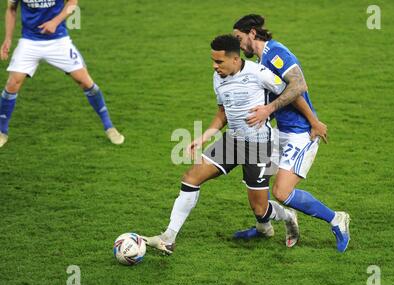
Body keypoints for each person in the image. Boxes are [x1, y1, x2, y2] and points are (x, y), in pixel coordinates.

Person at [143, 35, 300, 254]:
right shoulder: (218, 78)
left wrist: (270, 110)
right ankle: (168, 237)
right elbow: (222, 114)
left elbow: (292, 91)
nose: (214, 66)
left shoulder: (258, 73)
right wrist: (204, 136)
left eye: (219, 62)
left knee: (260, 210)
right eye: (213, 61)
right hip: (232, 141)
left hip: (260, 146)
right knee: (190, 178)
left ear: (235, 59)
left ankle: (287, 215)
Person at [232, 14, 351, 252]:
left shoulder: (276, 53)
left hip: (300, 134)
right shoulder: (261, 61)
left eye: (238, 38)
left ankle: (337, 219)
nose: (237, 44)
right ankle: (266, 226)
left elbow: (297, 87)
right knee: (257, 181)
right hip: (279, 132)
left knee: (281, 192)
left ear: (252, 33)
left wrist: (312, 121)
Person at [0, 0, 124, 148]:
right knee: (12, 83)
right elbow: (11, 9)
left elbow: (72, 2)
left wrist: (55, 22)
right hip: (29, 42)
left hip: (58, 41)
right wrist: (7, 39)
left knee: (85, 81)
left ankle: (109, 127)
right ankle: (2, 131)